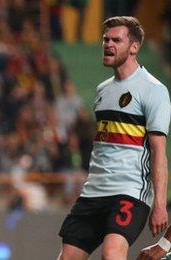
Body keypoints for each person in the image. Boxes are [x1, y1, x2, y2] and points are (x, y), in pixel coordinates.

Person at [58, 16, 170, 259]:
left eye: (116, 40)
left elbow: (158, 151)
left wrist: (159, 203)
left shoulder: (154, 90)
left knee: (111, 254)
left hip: (129, 191)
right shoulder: (102, 90)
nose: (108, 44)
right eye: (105, 39)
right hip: (93, 192)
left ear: (134, 47)